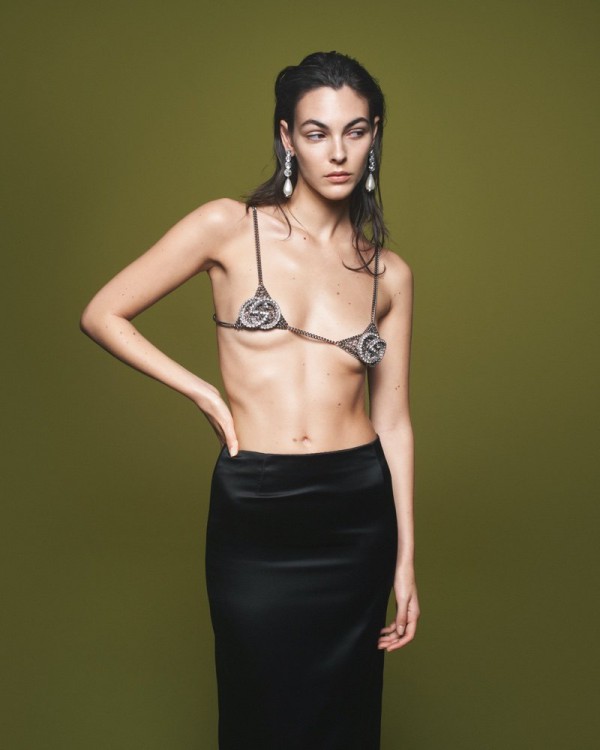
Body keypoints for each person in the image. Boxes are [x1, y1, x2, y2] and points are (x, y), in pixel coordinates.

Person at [80, 50, 420, 750]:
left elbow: (394, 422)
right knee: (259, 710)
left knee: (347, 717)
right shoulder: (227, 227)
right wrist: (201, 390)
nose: (338, 151)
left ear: (374, 136)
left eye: (355, 131)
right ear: (287, 137)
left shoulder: (390, 274)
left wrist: (406, 558)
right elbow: (103, 313)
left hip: (356, 512)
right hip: (258, 507)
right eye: (317, 132)